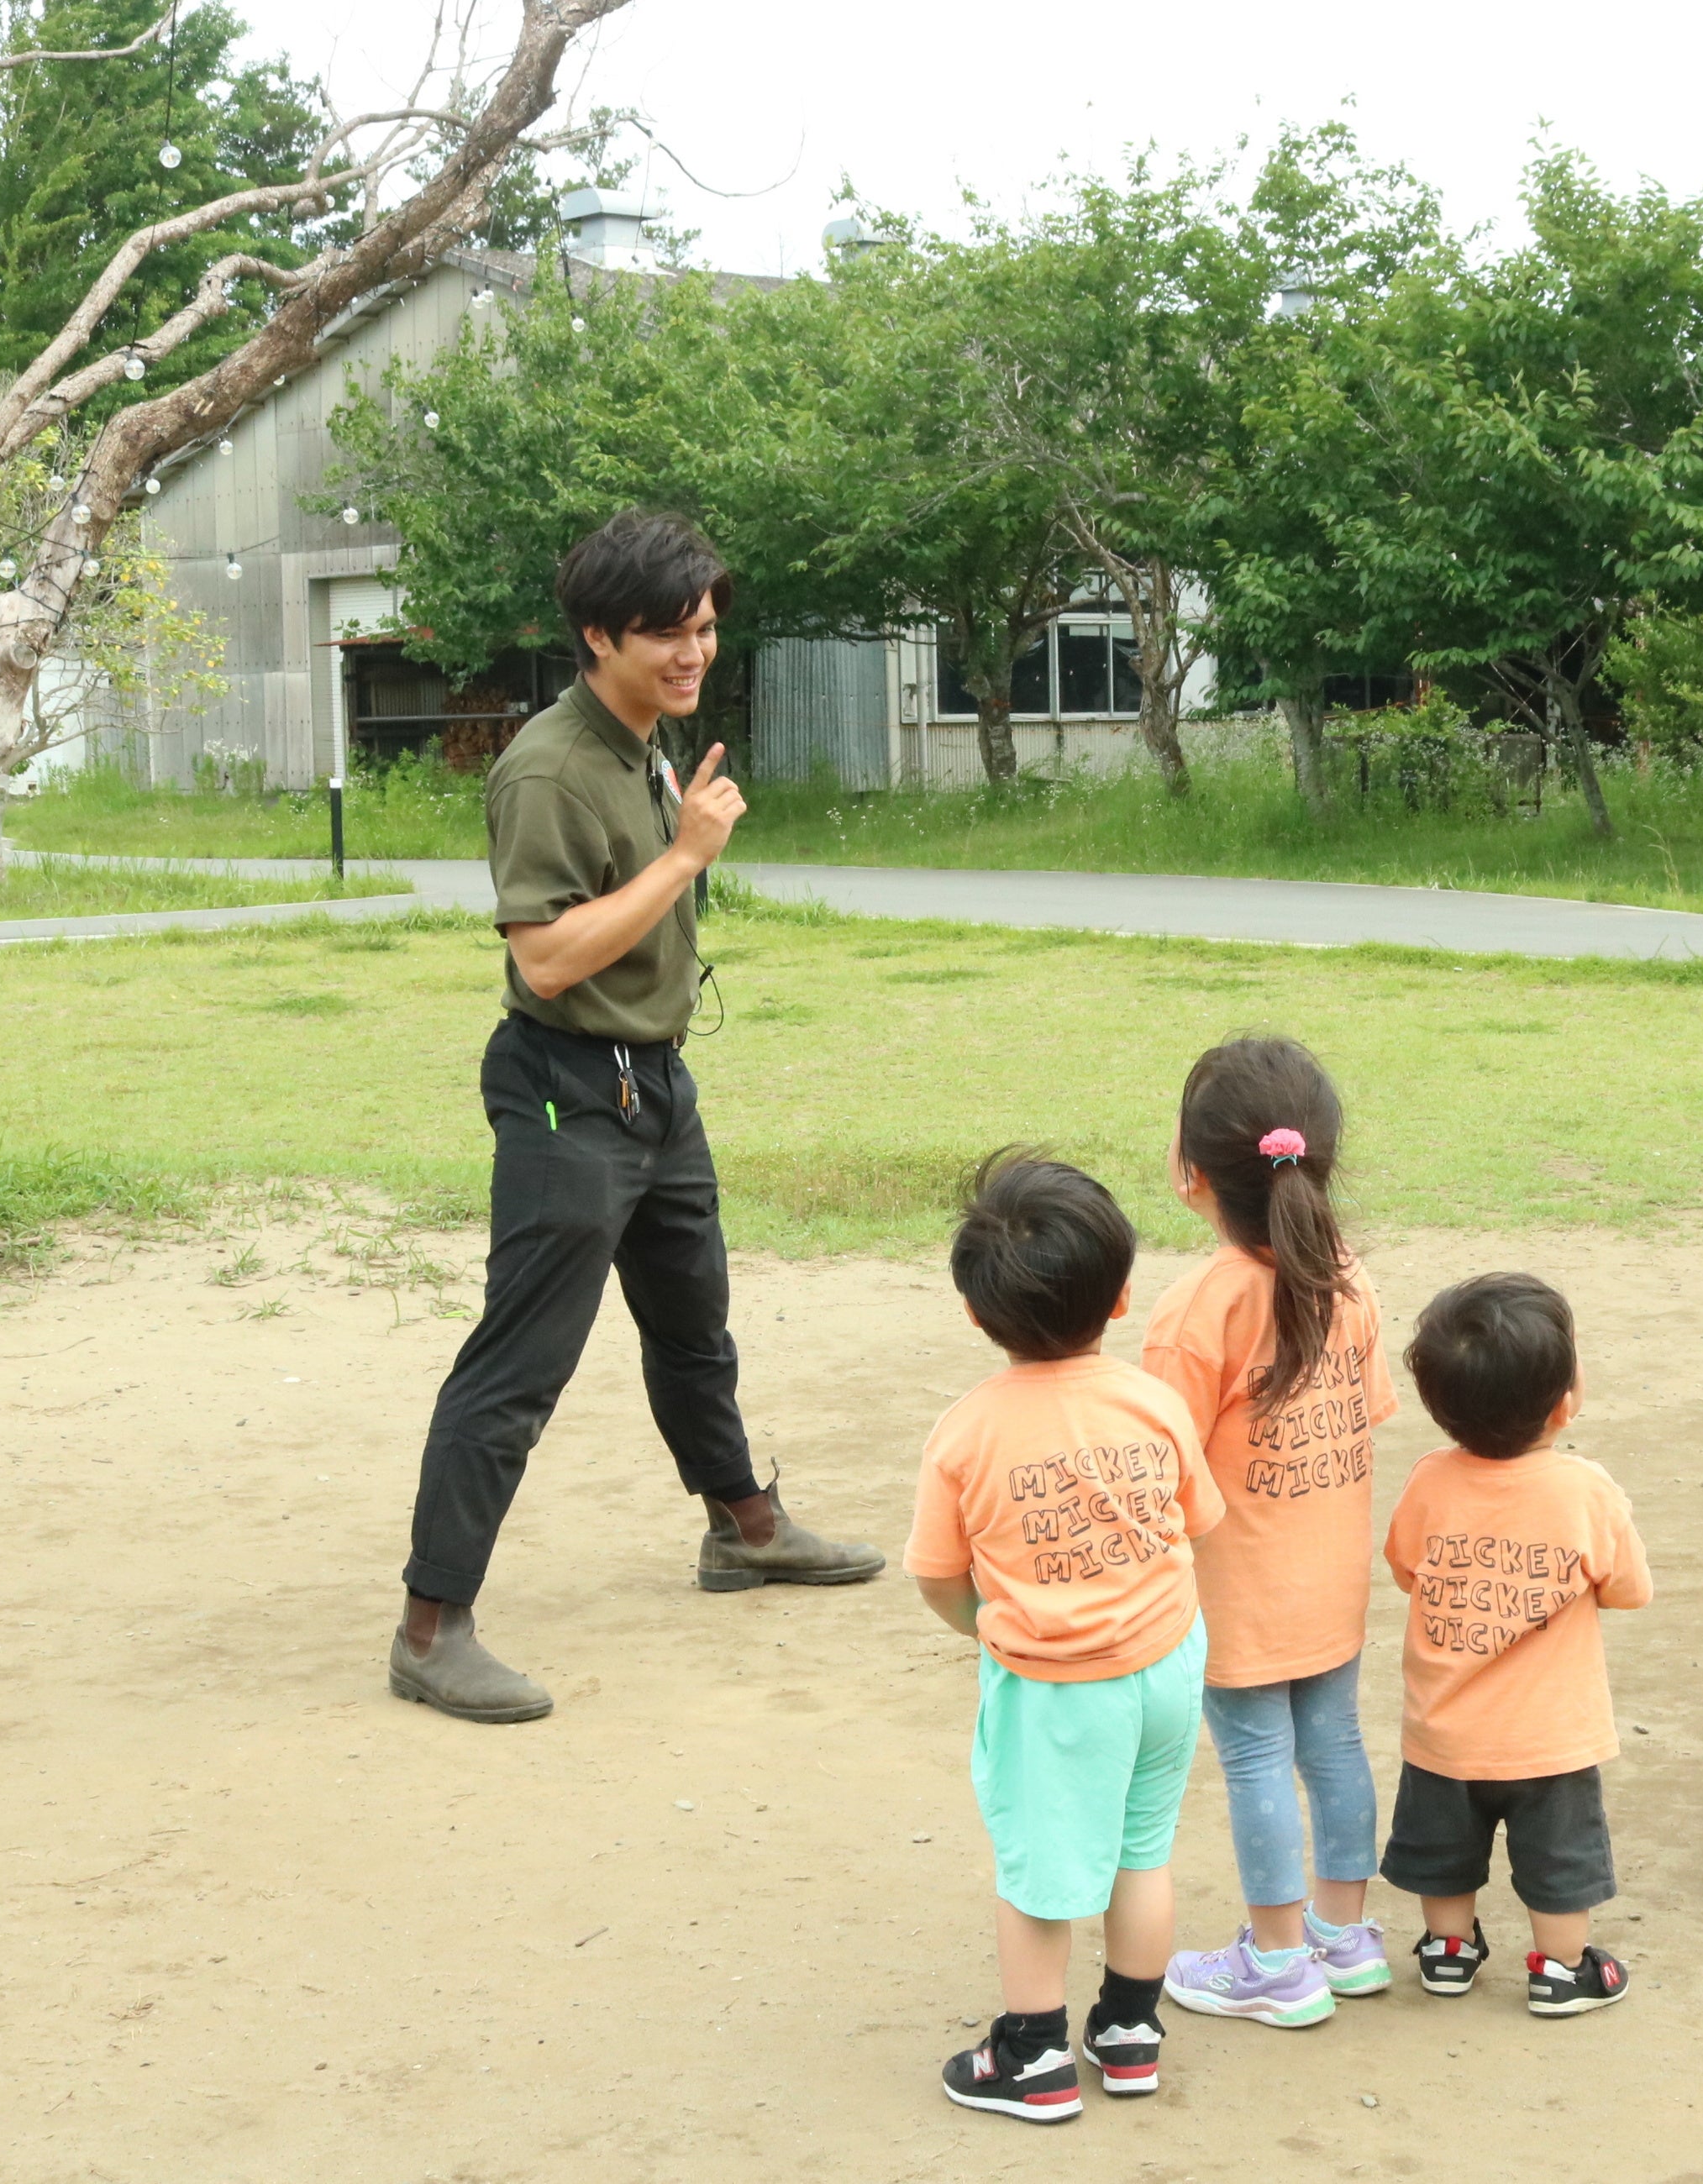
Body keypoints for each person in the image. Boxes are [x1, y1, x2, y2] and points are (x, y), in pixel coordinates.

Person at [388, 511, 881, 1726]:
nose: (692, 652)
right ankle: (430, 1628)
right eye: (666, 632)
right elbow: (547, 957)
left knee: (693, 1323)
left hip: (655, 1085)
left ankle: (745, 1528)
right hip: (569, 1089)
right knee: (520, 1365)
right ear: (599, 634)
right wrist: (684, 859)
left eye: (705, 628)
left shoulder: (647, 743)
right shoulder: (551, 767)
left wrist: (680, 838)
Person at [908, 1154, 1225, 2123]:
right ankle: (1131, 2032)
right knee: (1140, 1849)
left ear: (975, 1312)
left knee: (1042, 1872)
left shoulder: (965, 1432)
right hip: (1168, 1662)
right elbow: (1197, 1519)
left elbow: (935, 1572)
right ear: (1122, 1295)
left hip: (1054, 1688)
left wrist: (986, 1626)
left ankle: (1034, 2055)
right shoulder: (1152, 1401)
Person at [1144, 1038, 1400, 2029]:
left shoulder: (1196, 1309)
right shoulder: (1349, 1276)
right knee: (1334, 1743)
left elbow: (1160, 1469)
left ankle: (1279, 1961)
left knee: (1255, 1758)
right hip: (1331, 1578)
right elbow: (1366, 1409)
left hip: (1240, 1593)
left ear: (1192, 1171)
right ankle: (1345, 1934)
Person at [1378, 1273, 1653, 2019]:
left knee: (1443, 1852)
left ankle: (1448, 1949)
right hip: (1549, 1739)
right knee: (1558, 1864)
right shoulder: (1585, 1489)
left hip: (1443, 1731)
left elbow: (1405, 1568)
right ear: (1565, 1400)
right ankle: (1563, 1970)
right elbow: (1630, 1589)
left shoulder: (1430, 1481)